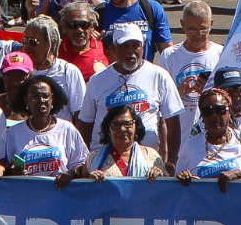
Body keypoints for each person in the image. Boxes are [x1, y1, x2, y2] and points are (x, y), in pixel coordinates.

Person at [76, 23, 182, 166]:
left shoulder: (159, 76)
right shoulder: (97, 80)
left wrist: (171, 161)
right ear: (113, 48)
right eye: (125, 46)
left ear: (143, 47)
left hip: (147, 162)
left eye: (136, 45)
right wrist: (85, 162)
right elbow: (85, 124)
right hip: (104, 162)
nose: (131, 51)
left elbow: (172, 122)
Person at [0, 74, 89, 184]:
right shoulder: (13, 133)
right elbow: (3, 167)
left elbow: (82, 164)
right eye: (35, 96)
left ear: (53, 100)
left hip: (60, 196)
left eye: (45, 95)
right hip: (26, 196)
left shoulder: (67, 129)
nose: (41, 100)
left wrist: (70, 173)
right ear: (26, 101)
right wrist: (12, 172)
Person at [174, 86, 241, 187]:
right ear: (202, 116)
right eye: (207, 111)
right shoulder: (191, 145)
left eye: (220, 109)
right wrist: (184, 178)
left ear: (229, 112)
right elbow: (177, 180)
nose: (214, 115)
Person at [80, 104, 165, 180]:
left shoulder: (151, 156)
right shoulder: (94, 158)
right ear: (109, 130)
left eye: (128, 123)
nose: (122, 129)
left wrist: (159, 178)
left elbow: (168, 189)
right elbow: (81, 190)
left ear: (136, 128)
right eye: (116, 125)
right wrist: (90, 182)